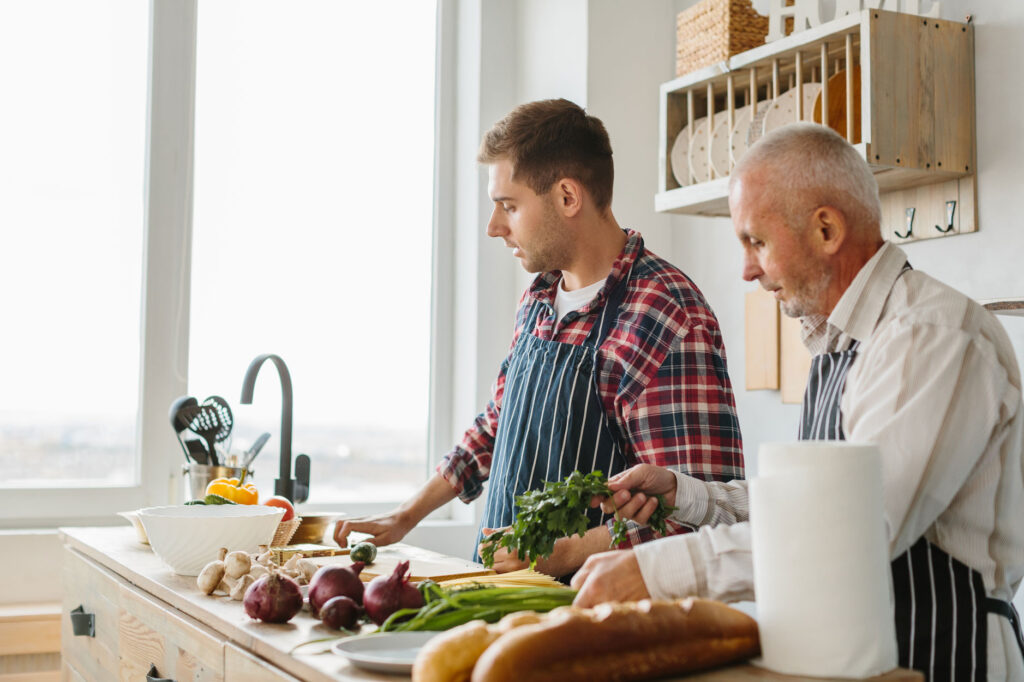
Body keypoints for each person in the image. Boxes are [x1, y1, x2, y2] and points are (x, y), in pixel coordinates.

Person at [571, 122, 1024, 679]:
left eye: (756, 241)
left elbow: (854, 529)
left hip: (944, 653)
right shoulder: (841, 342)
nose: (746, 269)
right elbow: (810, 508)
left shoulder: (930, 337)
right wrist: (687, 497)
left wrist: (663, 570)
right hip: (862, 656)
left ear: (827, 228)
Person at [334, 98, 744, 577]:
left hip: (590, 620)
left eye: (509, 205)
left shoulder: (665, 314)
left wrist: (560, 554)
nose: (493, 227)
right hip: (500, 598)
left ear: (568, 197)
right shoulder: (540, 296)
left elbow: (693, 516)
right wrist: (405, 516)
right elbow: (496, 423)